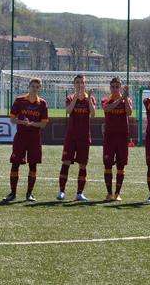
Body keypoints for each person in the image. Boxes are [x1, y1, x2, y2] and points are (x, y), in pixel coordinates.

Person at [3, 78, 49, 203]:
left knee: (33, 165)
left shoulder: (42, 103)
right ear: (28, 87)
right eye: (33, 86)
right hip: (21, 137)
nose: (35, 88)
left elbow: (44, 124)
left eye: (37, 87)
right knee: (15, 163)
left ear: (40, 88)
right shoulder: (19, 100)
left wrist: (32, 124)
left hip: (34, 138)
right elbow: (12, 119)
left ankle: (29, 193)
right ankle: (12, 193)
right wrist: (22, 122)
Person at [57, 74, 96, 202]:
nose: (80, 84)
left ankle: (79, 193)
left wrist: (89, 98)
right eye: (77, 82)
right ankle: (62, 191)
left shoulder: (90, 98)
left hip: (84, 136)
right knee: (66, 162)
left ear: (85, 84)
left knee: (83, 165)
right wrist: (76, 96)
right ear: (74, 84)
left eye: (82, 82)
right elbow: (68, 111)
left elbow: (93, 114)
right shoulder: (70, 97)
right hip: (71, 136)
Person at [101, 77, 132, 201]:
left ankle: (117, 193)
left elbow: (129, 113)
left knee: (121, 165)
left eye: (117, 86)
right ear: (110, 87)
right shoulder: (106, 99)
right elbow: (107, 109)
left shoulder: (127, 99)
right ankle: (109, 193)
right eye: (113, 86)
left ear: (120, 87)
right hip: (109, 136)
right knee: (108, 164)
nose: (115, 89)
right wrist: (121, 98)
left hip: (122, 136)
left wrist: (125, 99)